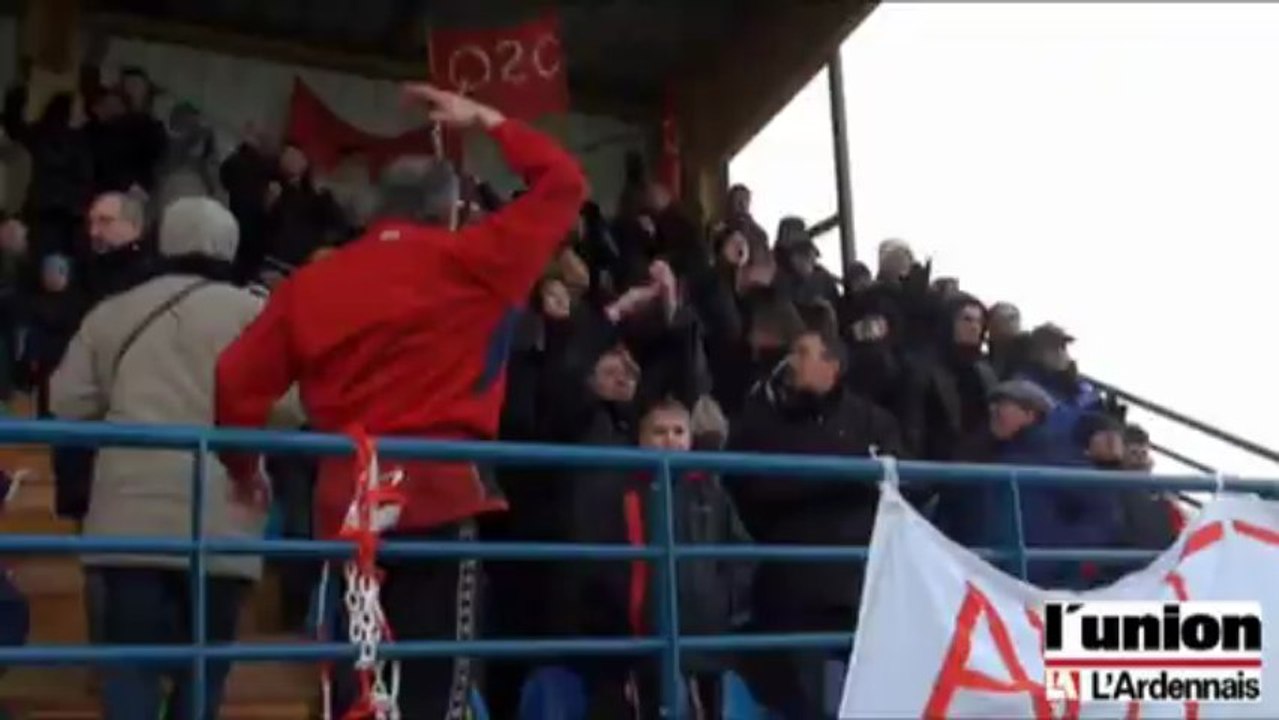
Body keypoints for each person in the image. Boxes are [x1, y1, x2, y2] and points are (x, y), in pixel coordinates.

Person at [214, 83, 586, 720]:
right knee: (436, 690)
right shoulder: (477, 259)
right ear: (449, 212)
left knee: (356, 685)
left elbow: (234, 380)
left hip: (348, 504)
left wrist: (246, 471)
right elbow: (564, 184)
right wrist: (487, 118)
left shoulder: (314, 283)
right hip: (439, 496)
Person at [50, 197, 295, 720]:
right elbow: (292, 408)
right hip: (222, 515)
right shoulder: (255, 314)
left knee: (130, 670)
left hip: (129, 518)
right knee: (203, 671)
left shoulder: (113, 311)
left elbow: (67, 402)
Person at [728, 328, 902, 720]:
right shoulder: (764, 416)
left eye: (803, 352)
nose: (792, 361)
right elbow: (750, 485)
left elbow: (902, 478)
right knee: (797, 696)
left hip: (857, 580)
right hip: (791, 581)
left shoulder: (872, 419)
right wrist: (849, 472)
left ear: (832, 365)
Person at [566, 397, 749, 719]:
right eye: (659, 431)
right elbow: (597, 563)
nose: (670, 440)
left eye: (678, 431)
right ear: (641, 438)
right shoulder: (617, 492)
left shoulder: (711, 493)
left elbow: (741, 553)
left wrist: (722, 604)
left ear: (690, 439)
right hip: (635, 649)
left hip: (702, 646)